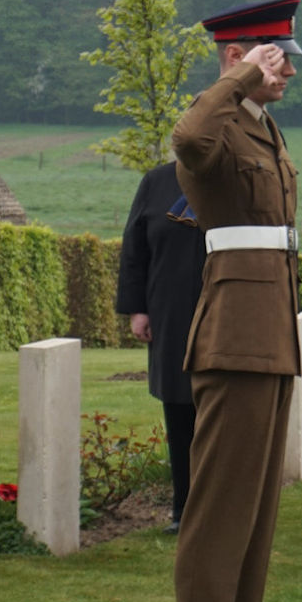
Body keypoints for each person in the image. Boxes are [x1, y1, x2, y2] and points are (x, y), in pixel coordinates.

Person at [170, 0, 302, 602]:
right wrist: (241, 75)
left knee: (254, 513)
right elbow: (189, 136)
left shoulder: (260, 126)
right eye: (279, 60)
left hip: (270, 336)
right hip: (235, 336)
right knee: (219, 511)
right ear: (238, 57)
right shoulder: (217, 125)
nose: (290, 72)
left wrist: (248, 82)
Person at [116, 162, 204, 536]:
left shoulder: (237, 178)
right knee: (180, 409)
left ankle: (223, 511)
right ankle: (183, 509)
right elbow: (135, 247)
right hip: (170, 311)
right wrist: (138, 308)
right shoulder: (157, 181)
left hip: (228, 311)